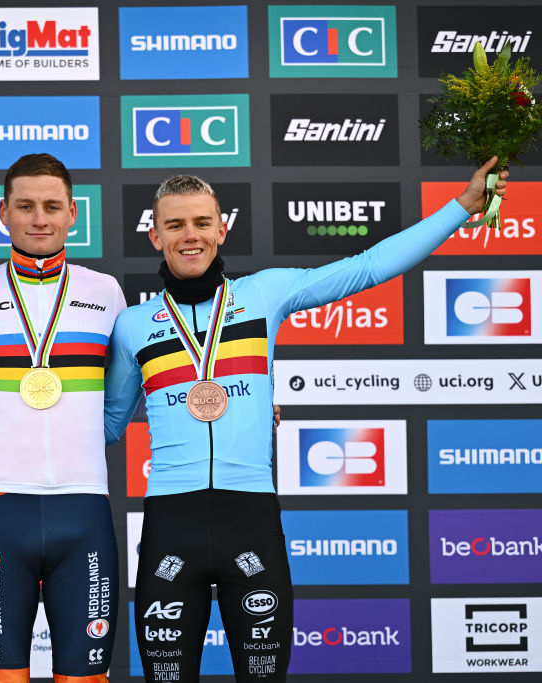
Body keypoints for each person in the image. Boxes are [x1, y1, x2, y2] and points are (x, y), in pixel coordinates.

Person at [103, 158, 509, 682]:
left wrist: (460, 209)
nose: (191, 236)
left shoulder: (264, 294)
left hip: (250, 518)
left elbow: (366, 268)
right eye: (176, 225)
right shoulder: (132, 326)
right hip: (169, 524)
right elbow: (111, 424)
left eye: (202, 223)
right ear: (154, 235)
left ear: (222, 228)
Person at [0, 154, 124, 682]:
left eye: (52, 206)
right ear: (2, 213)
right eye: (26, 206)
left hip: (83, 513)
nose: (40, 218)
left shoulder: (105, 293)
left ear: (73, 214)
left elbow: (132, 392)